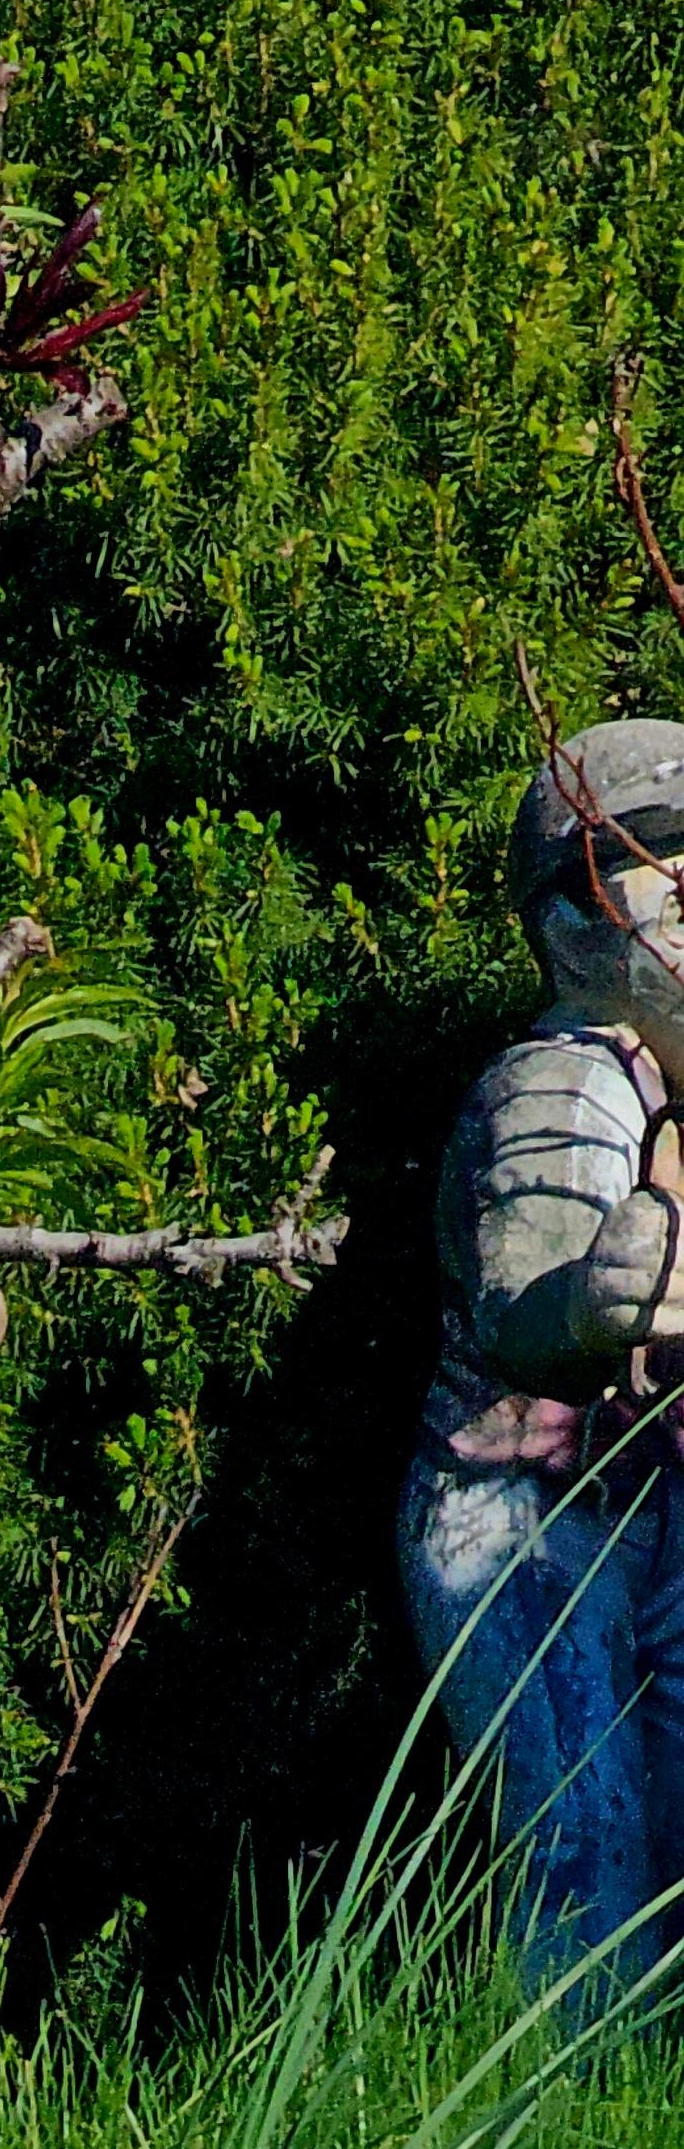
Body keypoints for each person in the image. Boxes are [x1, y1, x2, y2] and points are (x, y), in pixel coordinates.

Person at [401, 718, 684, 1988]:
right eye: (673, 890)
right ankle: (569, 2089)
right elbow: (525, 1301)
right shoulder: (568, 1086)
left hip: (648, 1505)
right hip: (522, 1520)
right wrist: (590, 1302)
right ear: (575, 926)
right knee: (586, 1849)